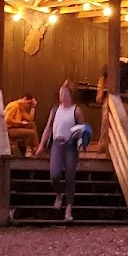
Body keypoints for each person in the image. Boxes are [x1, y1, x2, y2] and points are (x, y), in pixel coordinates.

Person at [36, 82, 85, 222]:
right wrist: (41, 145)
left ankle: (68, 209)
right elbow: (48, 128)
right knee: (55, 174)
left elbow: (82, 129)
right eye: (60, 94)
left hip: (70, 144)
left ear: (70, 95)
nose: (61, 96)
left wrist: (81, 144)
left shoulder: (76, 110)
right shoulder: (55, 110)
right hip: (57, 143)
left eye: (64, 94)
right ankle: (58, 194)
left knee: (70, 176)